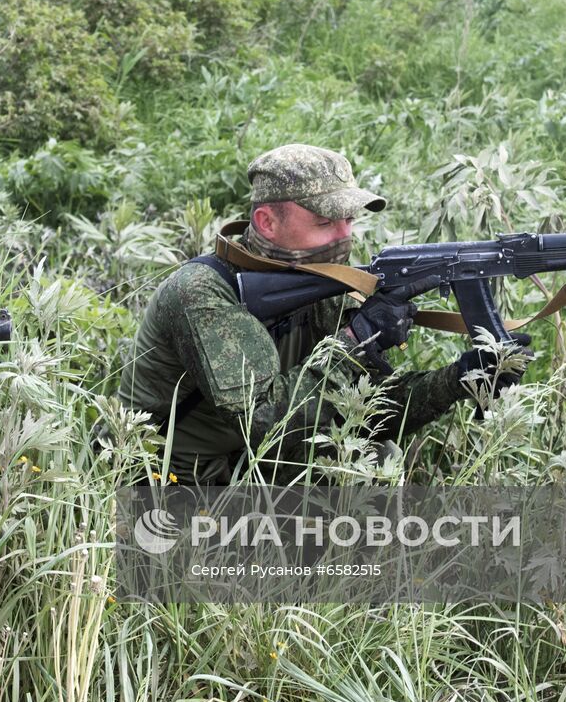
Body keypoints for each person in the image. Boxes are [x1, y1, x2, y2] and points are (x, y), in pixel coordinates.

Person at [117, 144, 529, 484]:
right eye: (325, 221)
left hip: (254, 466)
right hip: (169, 478)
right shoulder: (203, 292)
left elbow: (365, 413)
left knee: (371, 454)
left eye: (348, 219)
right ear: (267, 222)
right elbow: (261, 423)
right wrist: (354, 342)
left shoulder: (318, 280)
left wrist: (458, 379)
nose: (344, 236)